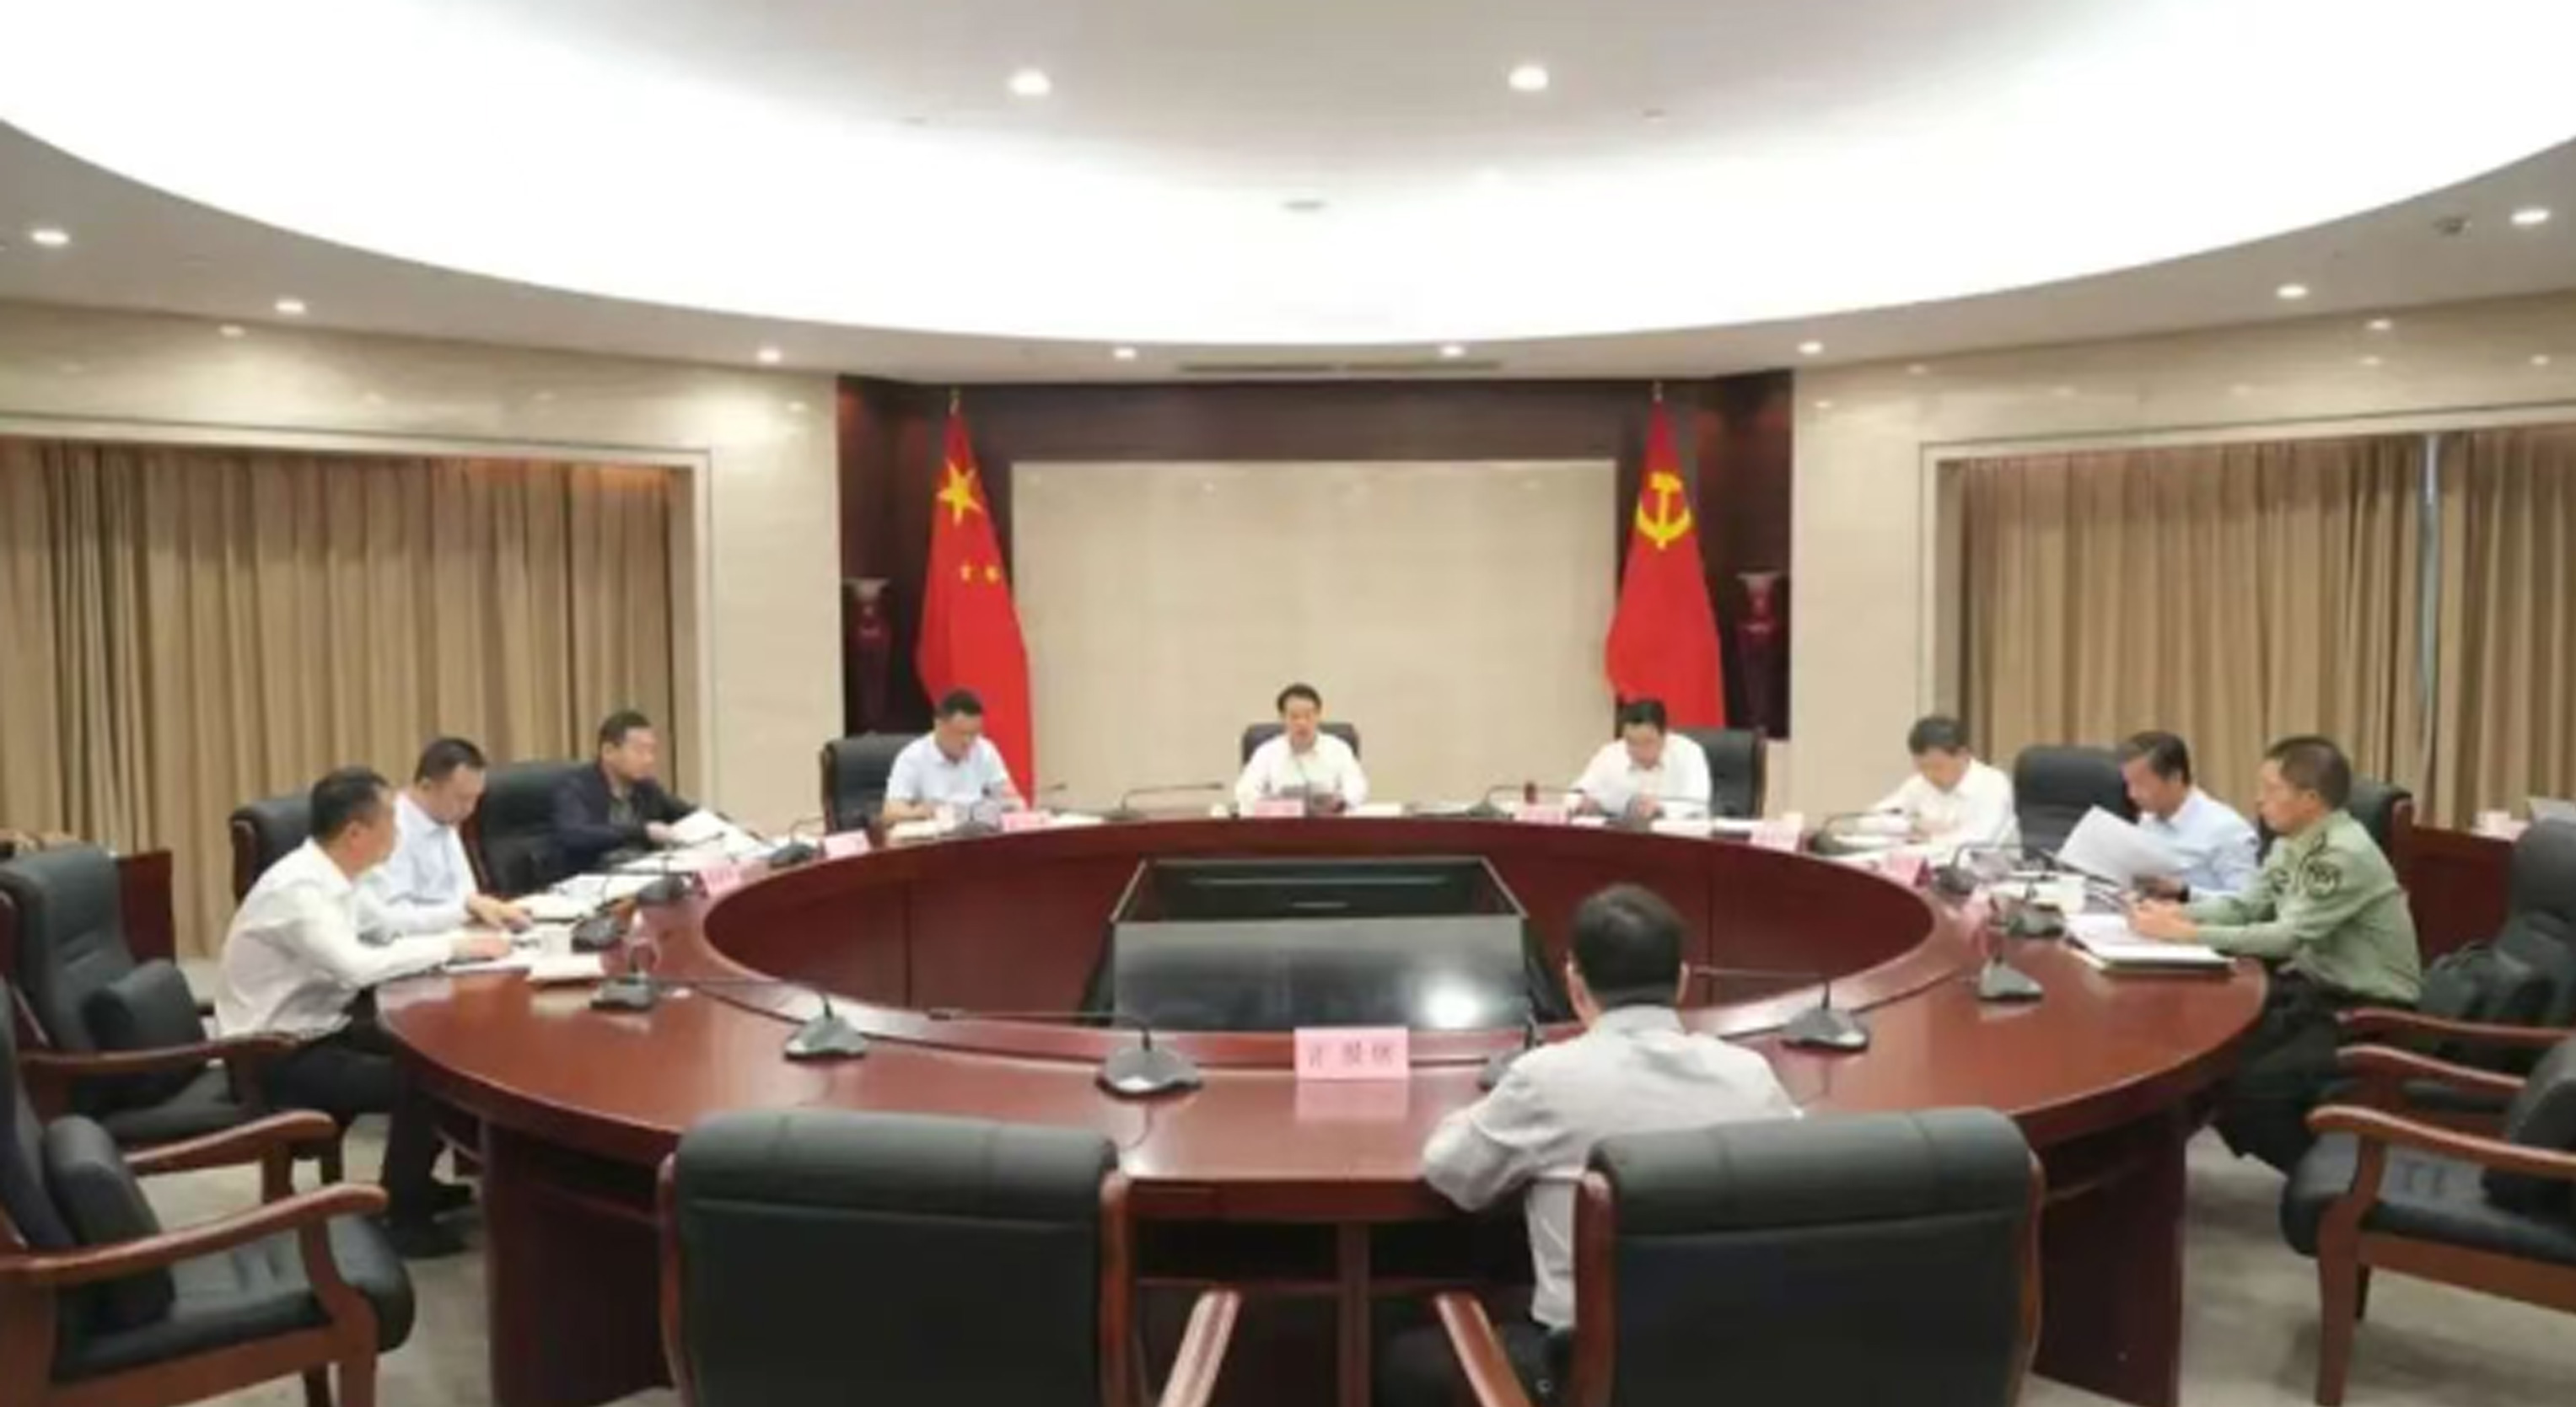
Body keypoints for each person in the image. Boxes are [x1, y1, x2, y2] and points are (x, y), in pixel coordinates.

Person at [1386, 885, 1799, 1405]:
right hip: (1728, 1365)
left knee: (1407, 1361)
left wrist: (1481, 1107)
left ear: (1574, 982)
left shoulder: (1546, 1079)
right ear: (1682, 981)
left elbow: (1452, 1174)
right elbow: (1796, 1178)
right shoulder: (1751, 1077)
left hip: (1585, 1373)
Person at [215, 767, 513, 1257]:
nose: (399, 831)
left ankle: (410, 1185)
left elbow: (389, 924)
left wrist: (470, 913)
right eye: (391, 820)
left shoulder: (338, 875)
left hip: (321, 1027)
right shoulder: (299, 891)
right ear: (356, 833)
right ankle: (402, 1214)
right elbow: (355, 967)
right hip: (275, 1054)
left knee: (444, 1047)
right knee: (427, 1082)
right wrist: (455, 947)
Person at [2131, 735, 2422, 1173]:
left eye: (2271, 790)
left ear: (2309, 799)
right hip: (2314, 990)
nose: (2259, 799)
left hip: (2369, 1012)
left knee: (2252, 1088)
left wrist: (2189, 934)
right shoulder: (2292, 842)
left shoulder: (2341, 854)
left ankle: (2333, 1184)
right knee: (2209, 1059)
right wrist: (2177, 914)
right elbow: (2246, 906)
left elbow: (2286, 938)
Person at [361, 737, 530, 937]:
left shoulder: (444, 820)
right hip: (416, 945)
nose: (470, 809)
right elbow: (392, 919)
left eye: (476, 798)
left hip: (457, 936)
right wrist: (464, 912)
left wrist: (489, 911)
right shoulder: (389, 828)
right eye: (462, 799)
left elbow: (466, 896)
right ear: (426, 786)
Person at [2118, 730, 2261, 900]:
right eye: (2129, 784)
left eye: (2142, 785)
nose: (2132, 794)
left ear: (2175, 778)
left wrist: (2185, 892)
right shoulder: (2147, 820)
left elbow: (2248, 902)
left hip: (2196, 916)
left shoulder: (2227, 829)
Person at [552, 708, 695, 871]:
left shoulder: (646, 788)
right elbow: (575, 835)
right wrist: (642, 832)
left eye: (651, 751)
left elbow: (686, 813)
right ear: (608, 752)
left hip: (643, 872)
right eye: (639, 751)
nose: (649, 760)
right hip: (596, 877)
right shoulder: (576, 786)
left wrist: (713, 823)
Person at [1872, 715, 2018, 854]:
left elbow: (1976, 843)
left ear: (1963, 755)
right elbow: (1871, 820)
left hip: (1985, 868)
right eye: (1922, 767)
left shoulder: (1992, 784)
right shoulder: (1919, 784)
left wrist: (1927, 838)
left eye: (1937, 767)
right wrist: (1912, 825)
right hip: (1930, 864)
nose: (1929, 775)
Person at [881, 689, 1023, 824]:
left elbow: (1013, 800)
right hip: (937, 834)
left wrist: (1011, 805)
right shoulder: (912, 757)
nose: (968, 742)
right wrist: (922, 813)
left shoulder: (984, 750)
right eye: (961, 733)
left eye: (974, 733)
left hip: (977, 831)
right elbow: (891, 813)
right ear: (938, 725)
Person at [1568, 698, 1711, 822]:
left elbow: (1698, 802)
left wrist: (1661, 808)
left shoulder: (1689, 753)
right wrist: (1581, 803)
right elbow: (1575, 792)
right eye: (1631, 742)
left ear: (1665, 735)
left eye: (1647, 742)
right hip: (1626, 836)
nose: (1638, 750)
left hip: (1678, 837)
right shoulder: (1610, 754)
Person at [1235, 683, 1368, 814]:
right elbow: (1246, 793)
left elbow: (1357, 788)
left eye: (1308, 716)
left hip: (1328, 823)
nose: (1302, 723)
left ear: (1319, 716)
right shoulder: (1266, 752)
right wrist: (1275, 806)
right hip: (1280, 824)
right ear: (1282, 718)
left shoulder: (1338, 749)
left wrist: (1339, 802)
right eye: (1294, 717)